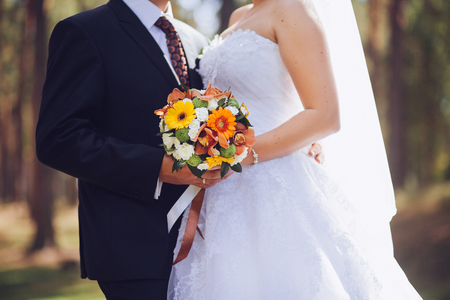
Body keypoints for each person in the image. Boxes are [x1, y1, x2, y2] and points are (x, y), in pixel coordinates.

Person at [35, 0, 324, 299]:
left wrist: (296, 135)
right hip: (131, 247)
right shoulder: (85, 31)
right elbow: (59, 138)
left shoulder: (196, 41)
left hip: (213, 241)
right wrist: (159, 167)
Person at [168, 0, 423, 299]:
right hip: (221, 192)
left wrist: (239, 154)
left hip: (276, 182)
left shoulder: (293, 9)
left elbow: (325, 115)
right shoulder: (239, 15)